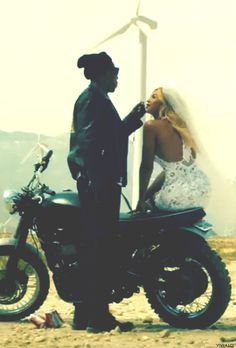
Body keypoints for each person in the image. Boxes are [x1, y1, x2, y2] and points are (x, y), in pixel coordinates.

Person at [67, 52, 145, 333]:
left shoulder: (96, 99)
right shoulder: (91, 100)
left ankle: (84, 315)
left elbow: (108, 136)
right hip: (98, 187)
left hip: (97, 184)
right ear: (101, 75)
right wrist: (101, 185)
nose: (117, 77)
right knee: (100, 251)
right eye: (114, 73)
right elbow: (90, 145)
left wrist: (134, 118)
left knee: (93, 249)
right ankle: (97, 318)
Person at [136, 87, 210, 212]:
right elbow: (172, 170)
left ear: (164, 104)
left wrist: (141, 200)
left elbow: (146, 167)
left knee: (148, 210)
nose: (148, 100)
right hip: (202, 190)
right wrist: (147, 196)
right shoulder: (182, 128)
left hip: (177, 196)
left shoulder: (151, 126)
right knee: (152, 200)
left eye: (154, 97)